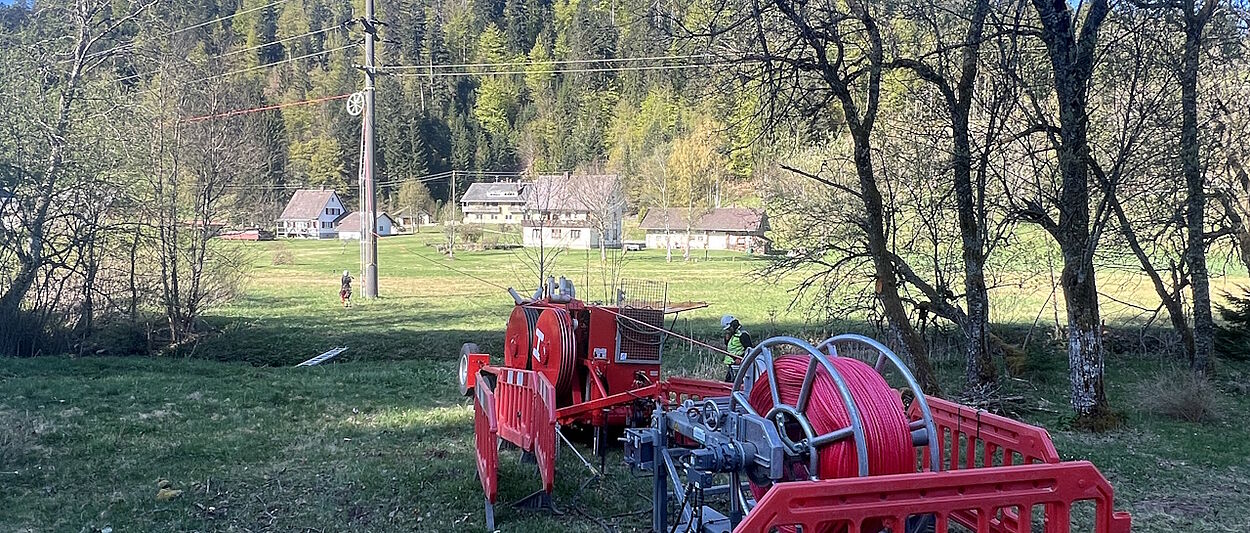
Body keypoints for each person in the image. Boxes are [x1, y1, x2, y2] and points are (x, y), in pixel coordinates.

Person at [721, 315, 754, 381]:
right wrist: (727, 339)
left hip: (740, 366)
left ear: (733, 325)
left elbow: (750, 350)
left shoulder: (743, 335)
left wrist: (741, 358)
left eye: (729, 329)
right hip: (732, 365)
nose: (728, 331)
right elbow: (731, 346)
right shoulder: (733, 335)